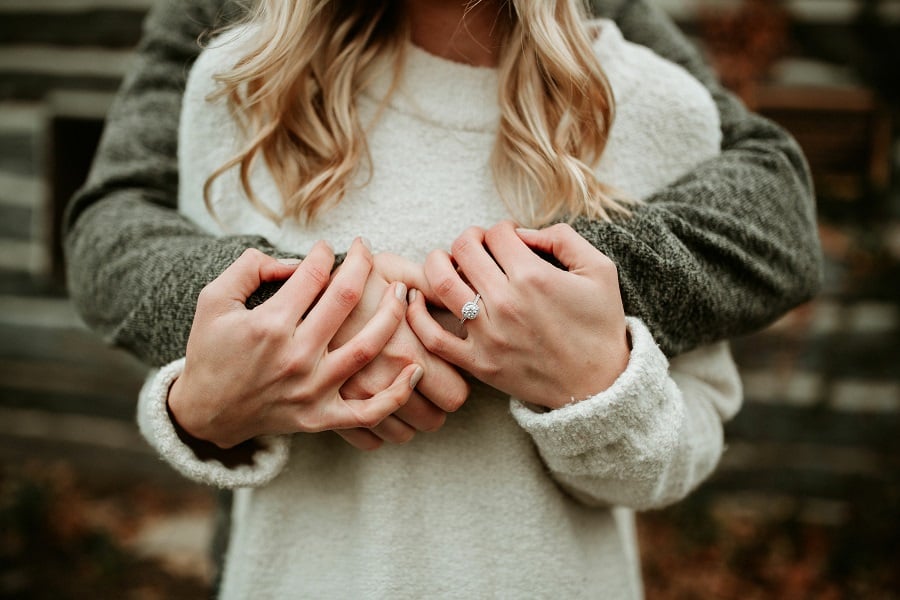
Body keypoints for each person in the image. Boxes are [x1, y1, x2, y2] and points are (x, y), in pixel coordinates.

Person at [62, 0, 822, 597]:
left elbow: (681, 446)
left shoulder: (656, 108)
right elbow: (206, 355)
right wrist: (207, 403)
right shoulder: (239, 91)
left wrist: (593, 384)